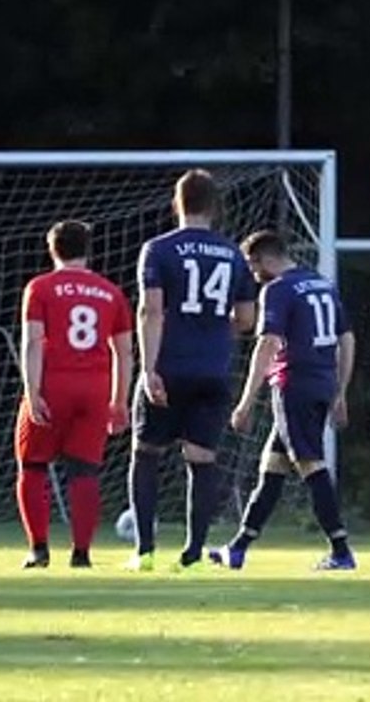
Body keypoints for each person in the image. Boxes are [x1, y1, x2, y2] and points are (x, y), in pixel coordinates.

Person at [126, 169, 256, 572]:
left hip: (169, 365)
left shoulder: (158, 249)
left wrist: (148, 369)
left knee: (146, 453)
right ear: (214, 207)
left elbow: (150, 310)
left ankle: (145, 552)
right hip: (213, 370)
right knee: (202, 458)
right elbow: (247, 317)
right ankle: (194, 554)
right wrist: (213, 332)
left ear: (177, 203)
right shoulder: (234, 253)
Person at [209, 229, 357, 571]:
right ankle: (238, 548)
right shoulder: (323, 284)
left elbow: (267, 345)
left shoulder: (277, 290)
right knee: (272, 467)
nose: (252, 274)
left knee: (310, 464)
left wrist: (245, 402)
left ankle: (341, 551)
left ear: (265, 258)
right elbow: (347, 338)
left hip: (294, 386)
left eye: (252, 265)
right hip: (321, 384)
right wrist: (341, 390)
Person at [17, 220, 133, 569]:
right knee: (85, 471)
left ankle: (38, 549)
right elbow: (124, 351)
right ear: (88, 249)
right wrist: (119, 400)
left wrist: (32, 391)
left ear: (52, 249)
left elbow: (33, 341)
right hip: (94, 388)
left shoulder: (40, 288)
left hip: (54, 383)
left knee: (33, 466)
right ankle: (81, 553)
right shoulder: (111, 292)